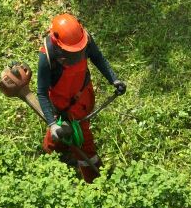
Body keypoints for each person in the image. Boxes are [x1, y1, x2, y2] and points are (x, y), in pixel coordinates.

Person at [36, 13, 126, 183]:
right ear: (57, 43)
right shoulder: (47, 58)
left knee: (83, 143)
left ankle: (95, 182)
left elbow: (98, 58)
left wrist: (114, 79)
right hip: (59, 107)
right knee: (53, 141)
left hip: (81, 102)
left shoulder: (84, 41)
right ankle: (50, 165)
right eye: (72, 53)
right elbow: (41, 92)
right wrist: (52, 124)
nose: (77, 56)